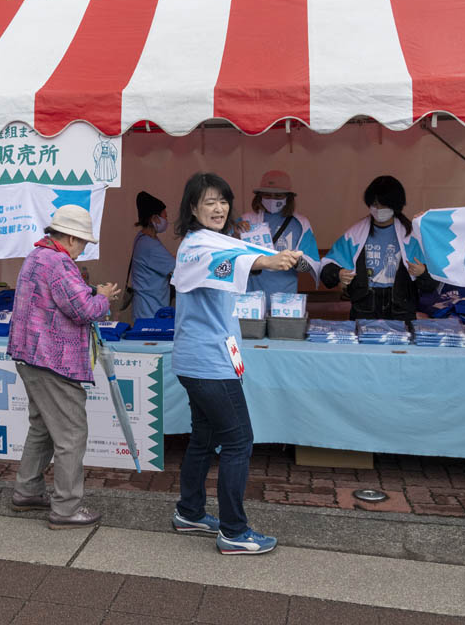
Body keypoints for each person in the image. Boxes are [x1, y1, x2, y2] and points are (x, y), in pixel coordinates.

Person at [170, 172, 300, 555]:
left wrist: (259, 256)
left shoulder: (214, 243)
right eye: (209, 201)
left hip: (203, 359)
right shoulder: (198, 246)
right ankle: (234, 531)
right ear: (192, 208)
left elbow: (231, 258)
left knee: (204, 439)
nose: (218, 208)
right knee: (239, 441)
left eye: (223, 200)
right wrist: (271, 260)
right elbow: (231, 258)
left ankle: (190, 512)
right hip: (208, 362)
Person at [7, 205, 119, 529]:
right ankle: (66, 508)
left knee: (42, 426)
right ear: (70, 237)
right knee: (71, 433)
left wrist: (92, 294)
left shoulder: (35, 257)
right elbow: (83, 310)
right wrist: (104, 296)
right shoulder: (59, 263)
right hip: (53, 360)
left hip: (29, 356)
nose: (84, 249)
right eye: (83, 242)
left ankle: (27, 490)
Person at [320, 175, 437, 320]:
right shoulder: (355, 234)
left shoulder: (412, 236)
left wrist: (423, 272)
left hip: (401, 309)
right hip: (364, 308)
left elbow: (433, 281)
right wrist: (338, 273)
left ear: (396, 205)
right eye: (375, 204)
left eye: (385, 204)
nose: (379, 209)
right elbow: (326, 266)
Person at [240, 170, 320, 296]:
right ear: (259, 196)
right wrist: (235, 231)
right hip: (251, 294)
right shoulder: (245, 220)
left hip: (285, 296)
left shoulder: (300, 223)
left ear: (288, 198)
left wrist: (296, 261)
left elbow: (310, 264)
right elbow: (230, 255)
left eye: (278, 196)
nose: (272, 199)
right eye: (267, 195)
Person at [128, 191, 175, 320]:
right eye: (165, 216)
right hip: (150, 310)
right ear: (154, 218)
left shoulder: (144, 238)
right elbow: (175, 266)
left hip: (148, 306)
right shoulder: (149, 245)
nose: (166, 220)